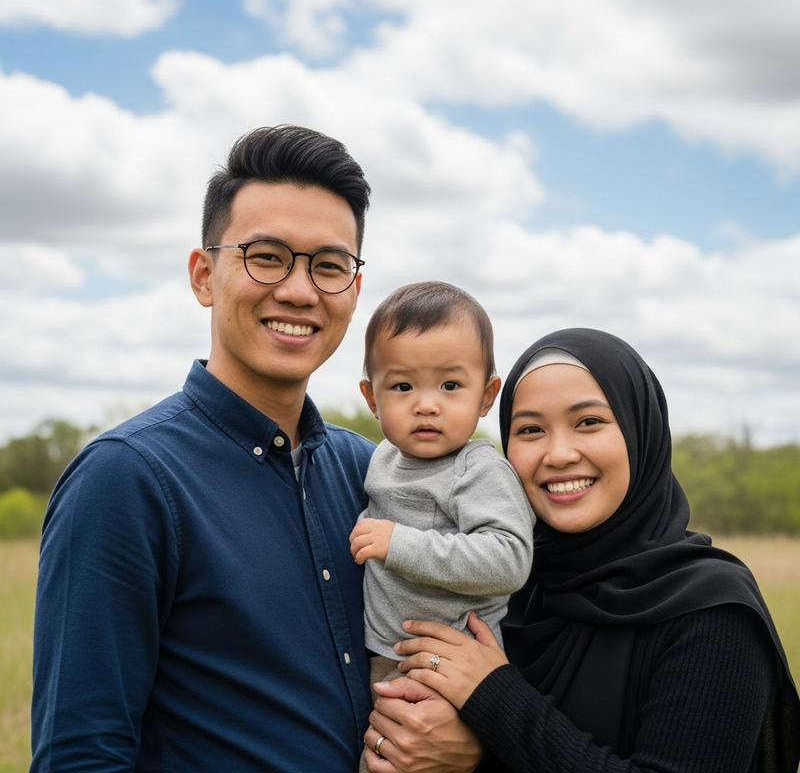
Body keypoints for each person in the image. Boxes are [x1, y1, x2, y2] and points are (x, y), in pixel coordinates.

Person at [30, 125, 376, 772]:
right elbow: (81, 754)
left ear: (354, 291)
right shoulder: (126, 481)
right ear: (203, 275)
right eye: (266, 256)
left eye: (329, 265)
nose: (300, 290)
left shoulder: (370, 473)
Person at [365, 327, 800, 773]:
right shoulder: (502, 583)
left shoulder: (710, 610)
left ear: (639, 429)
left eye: (588, 422)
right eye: (530, 429)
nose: (558, 454)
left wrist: (491, 703)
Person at [350, 282, 534, 768]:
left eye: (450, 386)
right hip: (389, 653)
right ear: (372, 396)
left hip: (447, 663)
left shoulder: (479, 469)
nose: (426, 404)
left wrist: (398, 544)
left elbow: (509, 558)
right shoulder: (383, 459)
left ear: (487, 395)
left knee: (395, 761)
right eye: (403, 386)